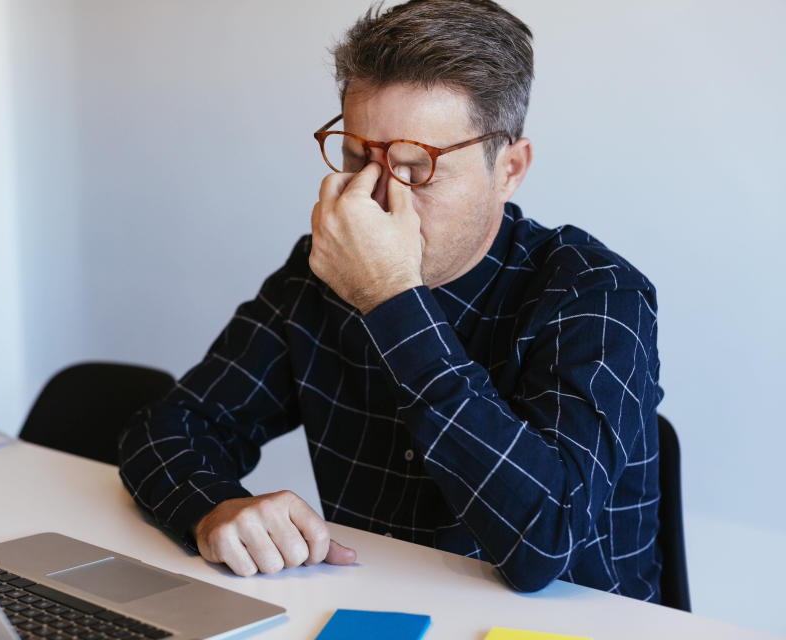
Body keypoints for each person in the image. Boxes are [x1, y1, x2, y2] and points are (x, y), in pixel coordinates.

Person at [120, 0, 663, 602]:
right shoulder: (322, 270)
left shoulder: (596, 292)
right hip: (375, 611)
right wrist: (212, 509)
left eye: (418, 167)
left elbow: (546, 543)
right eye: (357, 158)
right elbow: (172, 427)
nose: (377, 198)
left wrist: (392, 299)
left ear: (509, 168)